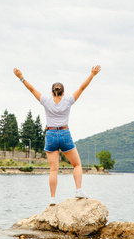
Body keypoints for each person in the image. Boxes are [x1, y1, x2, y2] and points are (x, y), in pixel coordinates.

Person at [13, 65, 101, 206]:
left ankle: (52, 199)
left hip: (51, 134)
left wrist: (21, 78)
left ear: (52, 92)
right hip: (65, 134)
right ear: (63, 92)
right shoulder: (68, 101)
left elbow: (32, 89)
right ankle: (78, 190)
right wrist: (92, 75)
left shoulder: (46, 101)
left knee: (53, 169)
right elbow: (82, 88)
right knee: (77, 164)